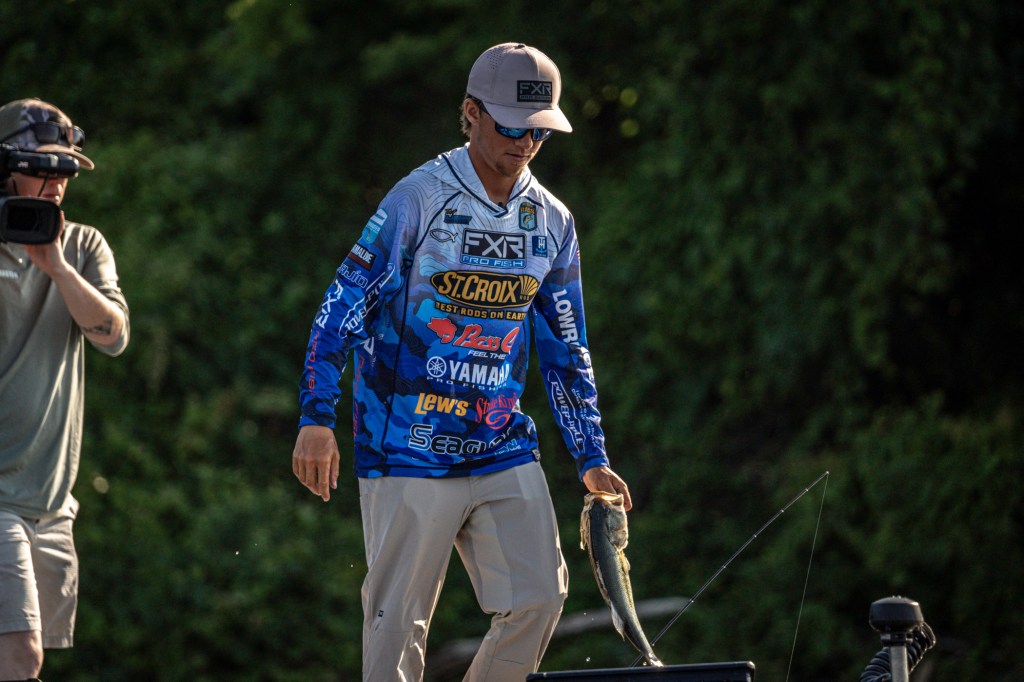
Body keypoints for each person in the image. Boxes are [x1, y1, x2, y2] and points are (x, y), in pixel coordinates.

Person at [292, 42, 630, 681]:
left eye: (539, 130)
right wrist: (316, 416)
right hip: (407, 443)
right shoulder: (417, 199)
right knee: (397, 624)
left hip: (501, 442)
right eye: (510, 126)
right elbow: (341, 307)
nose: (525, 143)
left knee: (540, 596)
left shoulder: (553, 221)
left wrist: (591, 455)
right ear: (470, 113)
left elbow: (567, 348)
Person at [0, 98, 130, 681]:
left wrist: (55, 265)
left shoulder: (82, 246)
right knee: (19, 655)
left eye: (65, 171)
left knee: (27, 659)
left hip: (52, 504)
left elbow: (114, 336)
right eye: (40, 169)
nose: (55, 184)